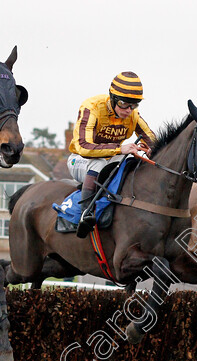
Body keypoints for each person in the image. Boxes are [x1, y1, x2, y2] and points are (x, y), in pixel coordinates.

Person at [67, 71, 156, 238]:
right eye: (123, 104)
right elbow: (83, 146)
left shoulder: (133, 114)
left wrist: (152, 150)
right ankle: (85, 213)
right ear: (113, 98)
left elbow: (151, 139)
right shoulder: (91, 107)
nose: (128, 110)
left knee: (131, 161)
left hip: (109, 160)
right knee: (99, 163)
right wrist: (118, 149)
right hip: (80, 160)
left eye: (134, 105)